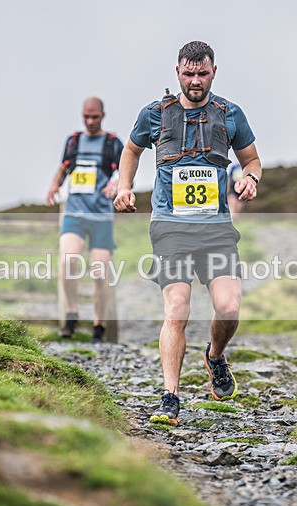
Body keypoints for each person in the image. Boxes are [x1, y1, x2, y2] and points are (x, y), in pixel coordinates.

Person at [113, 41, 262, 426]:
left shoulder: (230, 114)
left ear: (214, 72)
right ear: (177, 72)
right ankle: (170, 396)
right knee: (177, 309)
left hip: (215, 228)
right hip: (170, 227)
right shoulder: (155, 114)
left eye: (203, 73)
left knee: (229, 308)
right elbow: (131, 150)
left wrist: (251, 179)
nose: (195, 81)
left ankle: (214, 356)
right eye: (188, 74)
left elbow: (252, 159)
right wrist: (125, 185)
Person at [46, 97, 124, 342]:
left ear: (103, 115)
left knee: (99, 273)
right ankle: (71, 313)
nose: (90, 122)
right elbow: (64, 168)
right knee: (67, 261)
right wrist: (53, 186)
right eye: (86, 117)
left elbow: (126, 170)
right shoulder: (73, 141)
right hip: (74, 214)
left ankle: (99, 324)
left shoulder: (112, 143)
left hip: (100, 216)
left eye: (95, 117)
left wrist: (116, 183)